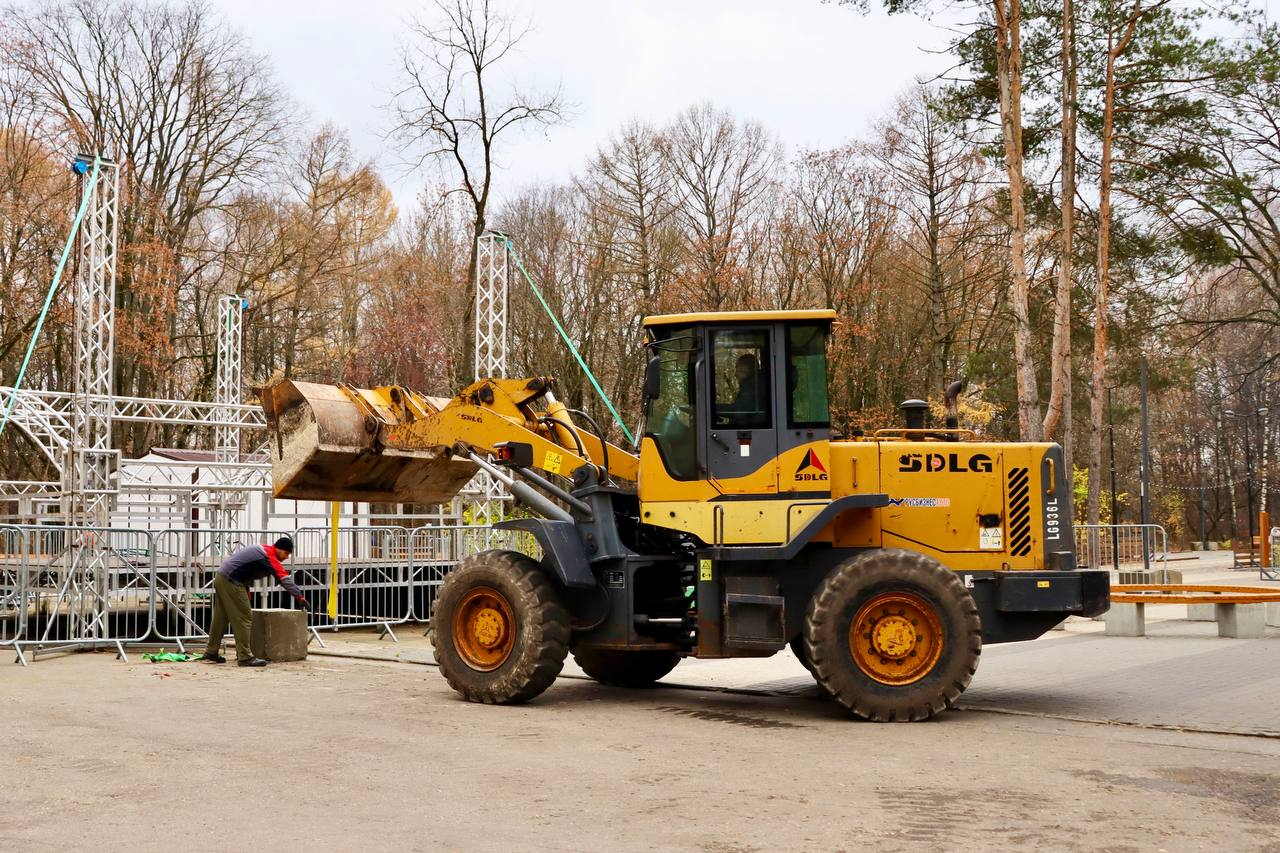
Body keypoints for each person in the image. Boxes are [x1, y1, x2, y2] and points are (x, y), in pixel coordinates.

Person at [202, 536, 307, 667]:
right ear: (279, 549)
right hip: (231, 580)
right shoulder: (269, 555)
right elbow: (283, 578)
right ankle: (245, 657)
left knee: (221, 618)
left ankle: (211, 652)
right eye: (286, 553)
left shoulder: (262, 550)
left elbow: (245, 570)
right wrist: (300, 597)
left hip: (222, 577)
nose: (287, 557)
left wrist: (246, 591)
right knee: (244, 617)